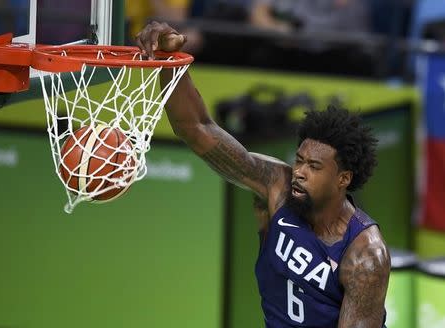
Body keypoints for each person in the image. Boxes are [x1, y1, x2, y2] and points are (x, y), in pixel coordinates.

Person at [136, 21, 390, 327]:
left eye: (314, 167)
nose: (299, 172)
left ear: (343, 179)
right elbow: (196, 129)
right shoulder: (276, 187)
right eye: (299, 160)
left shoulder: (365, 256)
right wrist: (168, 59)